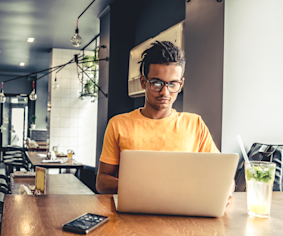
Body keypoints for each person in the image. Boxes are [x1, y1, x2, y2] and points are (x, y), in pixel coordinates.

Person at [96, 40, 223, 194]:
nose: (165, 92)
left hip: (182, 212)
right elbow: (102, 182)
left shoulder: (194, 124)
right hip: (134, 212)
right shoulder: (118, 124)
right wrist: (141, 188)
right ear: (144, 82)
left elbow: (222, 174)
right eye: (157, 83)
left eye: (172, 84)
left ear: (180, 84)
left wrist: (227, 190)